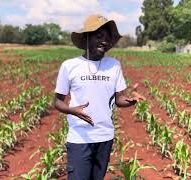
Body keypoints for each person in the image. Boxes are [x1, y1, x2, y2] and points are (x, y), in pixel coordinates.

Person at [54, 14, 145, 180]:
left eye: (107, 38)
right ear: (87, 37)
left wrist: (131, 101)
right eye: (99, 36)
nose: (104, 41)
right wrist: (72, 110)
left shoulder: (114, 65)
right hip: (79, 137)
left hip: (105, 137)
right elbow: (57, 102)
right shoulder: (70, 66)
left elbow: (119, 99)